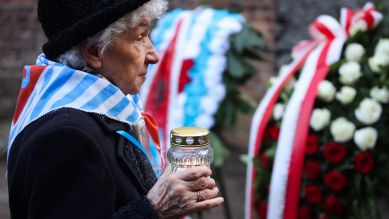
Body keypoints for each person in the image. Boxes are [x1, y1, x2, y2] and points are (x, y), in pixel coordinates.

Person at [7, 0, 224, 218]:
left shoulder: (97, 111)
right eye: (140, 38)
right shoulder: (67, 136)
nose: (153, 55)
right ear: (94, 52)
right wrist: (154, 209)